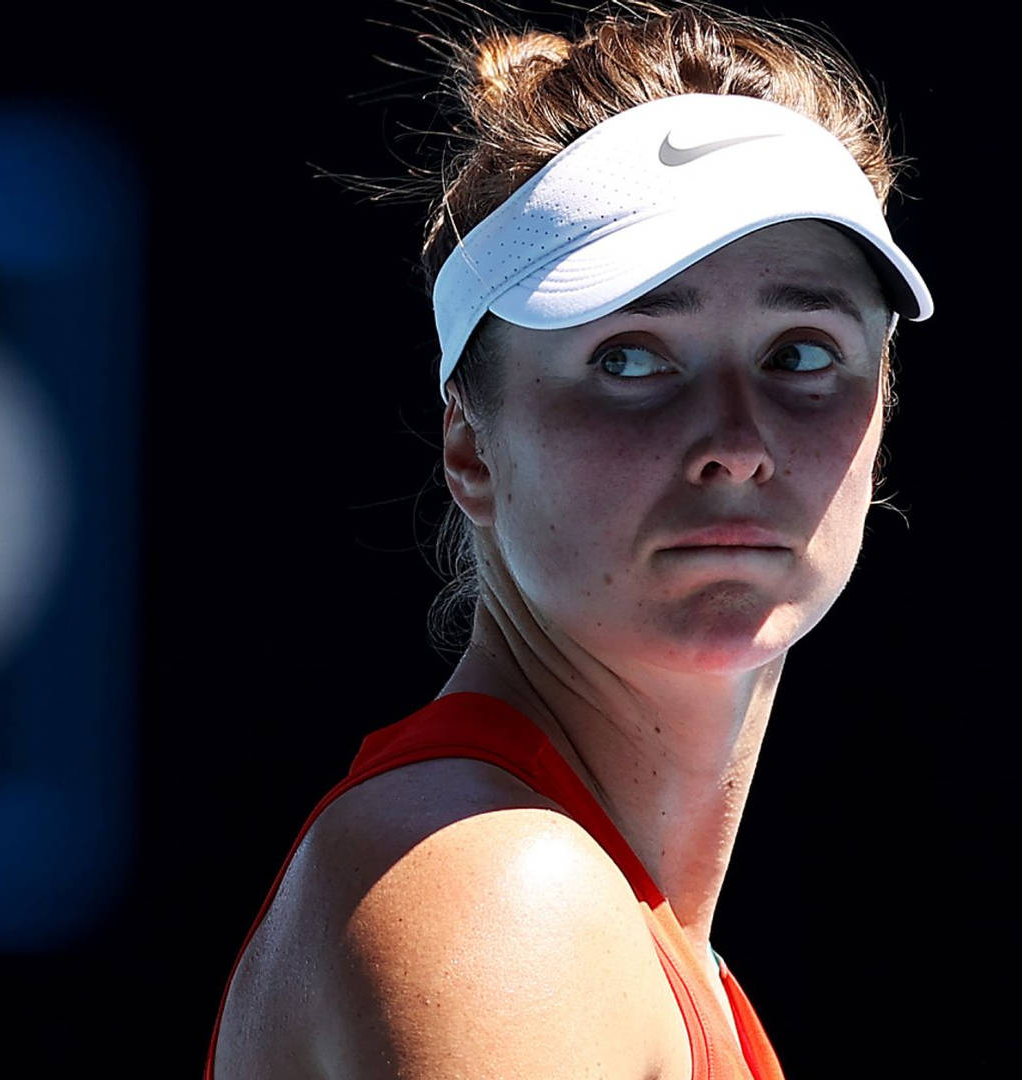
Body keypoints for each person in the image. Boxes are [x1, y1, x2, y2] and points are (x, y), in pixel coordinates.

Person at [205, 3, 931, 1077]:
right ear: (472, 447)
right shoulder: (503, 891)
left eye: (801, 353)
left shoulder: (627, 933)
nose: (737, 443)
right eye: (632, 358)